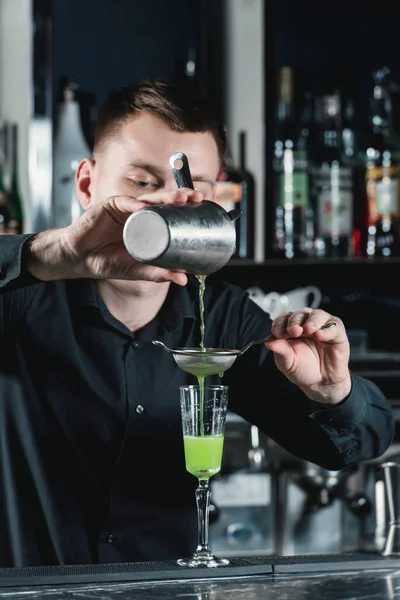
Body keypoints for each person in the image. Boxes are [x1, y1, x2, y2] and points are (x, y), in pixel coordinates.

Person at [0, 78, 395, 568]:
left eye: (195, 188)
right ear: (86, 184)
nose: (172, 204)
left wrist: (332, 391)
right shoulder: (20, 301)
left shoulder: (226, 319)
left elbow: (362, 442)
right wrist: (52, 252)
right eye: (143, 183)